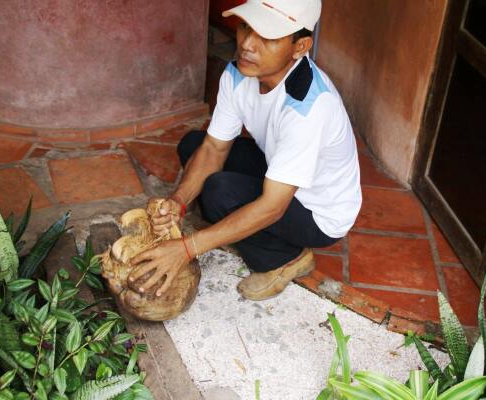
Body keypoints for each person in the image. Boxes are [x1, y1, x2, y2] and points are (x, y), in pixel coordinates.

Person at [129, 0, 361, 301]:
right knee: (194, 145)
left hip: (319, 211)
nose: (248, 45)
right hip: (279, 172)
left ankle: (284, 259)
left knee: (218, 191)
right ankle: (227, 222)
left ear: (300, 46)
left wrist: (187, 248)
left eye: (268, 37)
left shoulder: (310, 107)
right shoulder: (239, 74)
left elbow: (273, 207)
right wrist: (178, 202)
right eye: (245, 28)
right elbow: (214, 148)